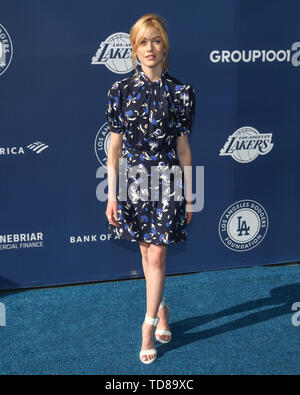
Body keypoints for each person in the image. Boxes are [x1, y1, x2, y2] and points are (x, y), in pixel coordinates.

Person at [105, 13, 196, 364]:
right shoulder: (120, 91)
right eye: (143, 41)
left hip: (167, 180)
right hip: (132, 181)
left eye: (156, 40)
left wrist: (191, 194)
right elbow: (114, 147)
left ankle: (147, 326)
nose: (150, 48)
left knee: (157, 254)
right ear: (134, 48)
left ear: (165, 46)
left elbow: (184, 148)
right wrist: (111, 194)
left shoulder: (181, 92)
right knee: (145, 253)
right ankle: (161, 309)